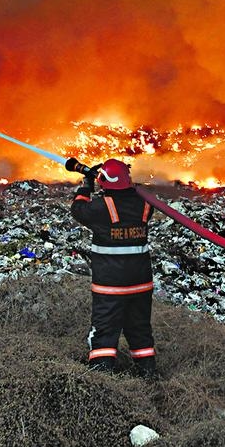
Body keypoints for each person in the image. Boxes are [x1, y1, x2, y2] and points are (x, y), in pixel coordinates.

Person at [69, 158, 158, 377]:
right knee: (140, 331)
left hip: (110, 286)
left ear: (105, 183)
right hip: (140, 284)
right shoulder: (145, 204)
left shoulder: (101, 207)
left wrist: (86, 185)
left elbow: (78, 209)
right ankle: (148, 376)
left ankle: (102, 378)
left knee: (104, 333)